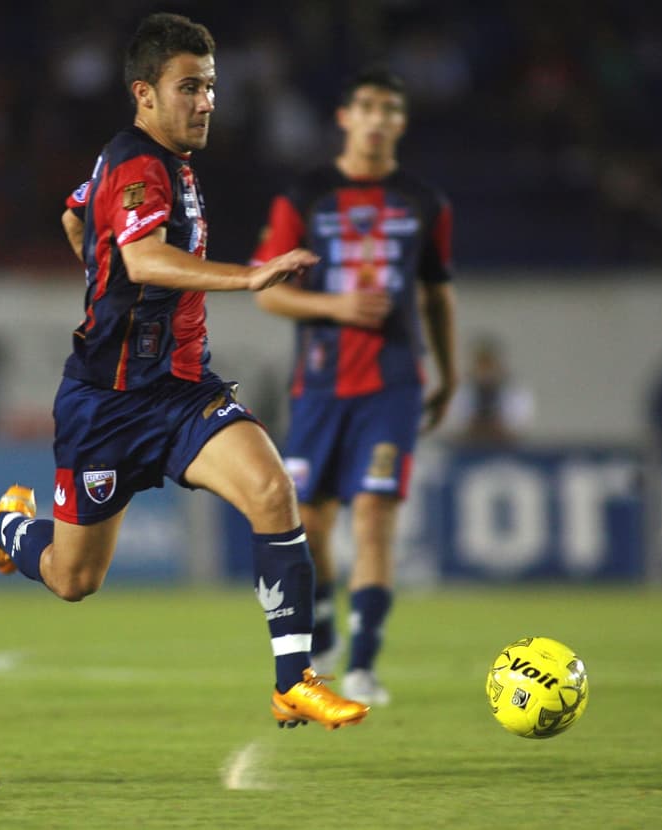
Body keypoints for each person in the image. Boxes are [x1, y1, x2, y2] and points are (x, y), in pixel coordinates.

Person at [0, 12, 369, 732]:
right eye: (189, 86)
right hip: (105, 403)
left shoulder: (162, 166)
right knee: (74, 578)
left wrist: (99, 270)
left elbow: (76, 216)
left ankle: (295, 680)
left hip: (181, 392)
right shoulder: (138, 164)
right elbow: (144, 259)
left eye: (211, 86)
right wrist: (248, 277)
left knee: (271, 489)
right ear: (144, 94)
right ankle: (12, 532)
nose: (206, 102)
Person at [250, 66, 459, 705]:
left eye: (389, 109)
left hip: (392, 382)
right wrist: (336, 308)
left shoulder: (425, 202)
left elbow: (436, 294)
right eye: (365, 105)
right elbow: (267, 293)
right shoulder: (304, 196)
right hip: (318, 384)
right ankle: (326, 636)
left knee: (373, 517)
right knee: (310, 523)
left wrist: (447, 375)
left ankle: (364, 668)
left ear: (400, 122)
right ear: (344, 117)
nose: (377, 118)